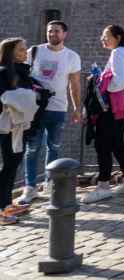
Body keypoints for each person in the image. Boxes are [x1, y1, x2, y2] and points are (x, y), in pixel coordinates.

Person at [16, 20, 81, 205]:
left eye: (57, 31)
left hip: (58, 108)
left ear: (64, 34)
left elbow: (74, 85)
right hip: (34, 108)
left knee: (54, 146)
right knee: (32, 148)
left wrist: (76, 108)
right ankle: (30, 187)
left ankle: (50, 183)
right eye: (50, 31)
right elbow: (21, 75)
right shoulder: (34, 52)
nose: (53, 34)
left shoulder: (72, 57)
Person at [81, 25, 124, 204]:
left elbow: (117, 82)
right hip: (122, 101)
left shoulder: (118, 53)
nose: (102, 39)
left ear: (118, 37)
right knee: (117, 141)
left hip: (112, 104)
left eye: (106, 35)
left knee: (103, 143)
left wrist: (100, 80)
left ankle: (103, 186)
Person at [0, 38, 37, 224]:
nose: (25, 52)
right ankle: (1, 209)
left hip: (19, 125)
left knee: (13, 164)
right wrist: (29, 97)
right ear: (11, 52)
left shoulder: (21, 70)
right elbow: (5, 97)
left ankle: (6, 203)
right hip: (8, 126)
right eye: (22, 49)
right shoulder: (4, 72)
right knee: (8, 166)